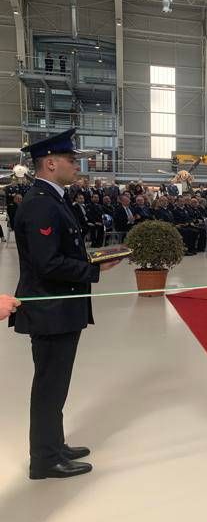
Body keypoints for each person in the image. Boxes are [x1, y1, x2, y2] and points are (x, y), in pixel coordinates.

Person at [9, 128, 120, 480]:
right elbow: (47, 264)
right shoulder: (41, 203)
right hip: (49, 310)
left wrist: (92, 260)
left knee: (56, 385)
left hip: (58, 309)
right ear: (50, 163)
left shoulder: (53, 198)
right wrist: (92, 267)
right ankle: (44, 459)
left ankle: (53, 445)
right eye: (72, 160)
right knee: (49, 386)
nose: (77, 165)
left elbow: (58, 254)